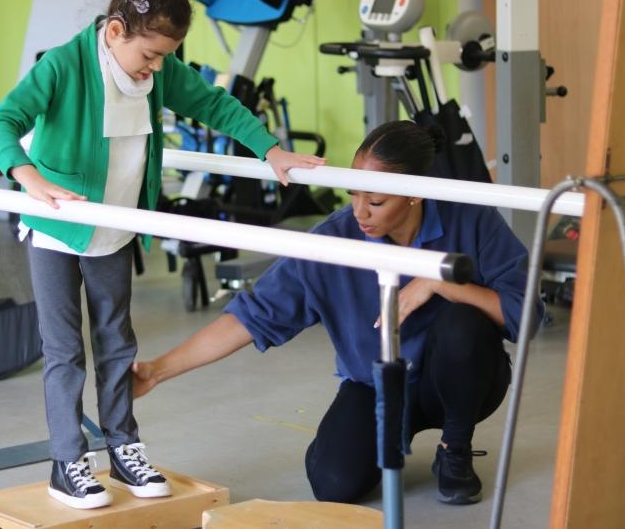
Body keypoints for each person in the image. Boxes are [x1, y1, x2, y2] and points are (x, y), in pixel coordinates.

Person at [0, 0, 324, 510]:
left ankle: (122, 444)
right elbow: (1, 123)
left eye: (166, 57)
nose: (157, 68)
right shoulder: (65, 66)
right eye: (150, 55)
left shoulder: (154, 70)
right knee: (66, 351)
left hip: (118, 226)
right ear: (115, 32)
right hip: (57, 228)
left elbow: (214, 103)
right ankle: (67, 461)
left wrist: (270, 149)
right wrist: (27, 177)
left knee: (117, 343)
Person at [132, 120, 542, 506]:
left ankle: (455, 448)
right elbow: (250, 316)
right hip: (375, 384)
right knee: (334, 483)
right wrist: (158, 370)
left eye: (376, 201)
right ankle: (382, 434)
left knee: (464, 322)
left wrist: (441, 283)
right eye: (353, 193)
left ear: (416, 193)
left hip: (454, 380)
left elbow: (528, 315)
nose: (360, 212)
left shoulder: (471, 218)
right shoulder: (334, 239)